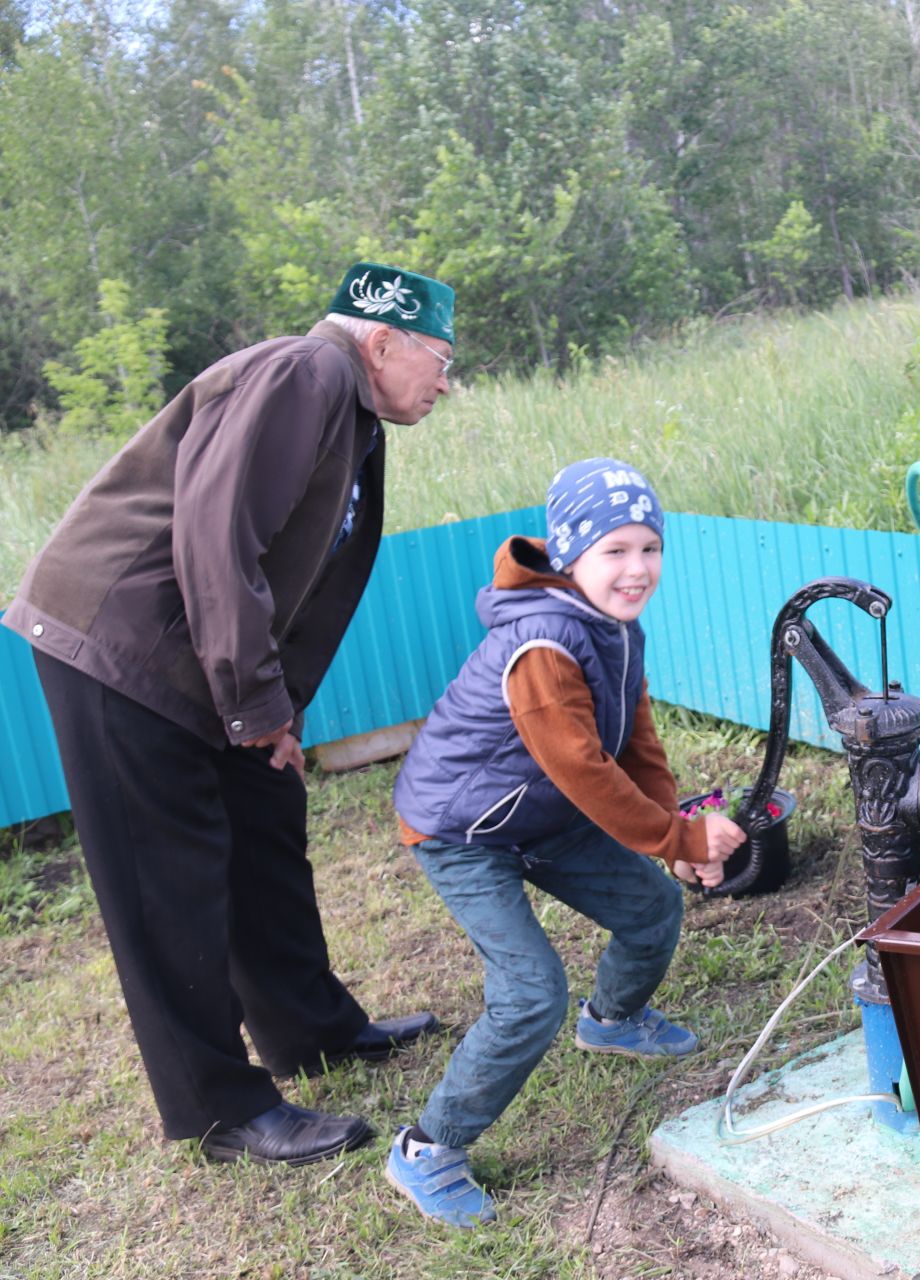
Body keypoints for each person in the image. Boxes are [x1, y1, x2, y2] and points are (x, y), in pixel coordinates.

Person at [2, 263, 456, 1166]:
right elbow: (218, 533)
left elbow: (295, 577)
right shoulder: (306, 373)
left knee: (264, 818)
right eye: (440, 359)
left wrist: (271, 713)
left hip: (197, 650)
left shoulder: (352, 411)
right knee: (167, 879)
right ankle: (222, 1108)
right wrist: (251, 704)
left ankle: (311, 1030)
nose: (447, 381)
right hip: (122, 646)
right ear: (381, 341)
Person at [384, 458, 746, 1226]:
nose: (637, 567)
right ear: (569, 554)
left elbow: (636, 738)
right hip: (463, 831)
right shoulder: (545, 644)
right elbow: (583, 770)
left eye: (649, 547)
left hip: (536, 814)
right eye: (615, 550)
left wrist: (671, 839)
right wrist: (676, 833)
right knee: (529, 993)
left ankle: (611, 1022)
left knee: (651, 906)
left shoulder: (613, 626)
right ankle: (427, 1148)